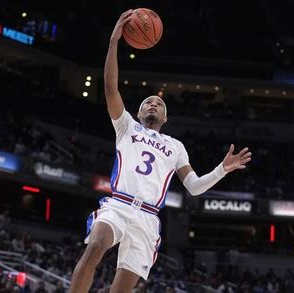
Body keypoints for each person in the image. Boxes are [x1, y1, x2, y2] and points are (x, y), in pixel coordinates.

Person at [70, 9, 252, 292]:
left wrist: (223, 169)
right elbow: (109, 87)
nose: (153, 104)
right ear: (139, 111)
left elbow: (193, 187)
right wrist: (114, 41)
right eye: (147, 102)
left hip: (148, 218)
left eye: (159, 104)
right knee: (94, 247)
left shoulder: (175, 146)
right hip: (118, 204)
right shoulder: (126, 126)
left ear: (165, 118)